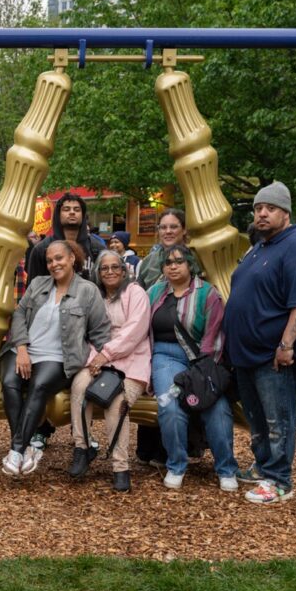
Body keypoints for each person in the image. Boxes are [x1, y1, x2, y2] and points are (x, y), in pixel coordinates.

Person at [225, 181, 296, 504]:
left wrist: (286, 345)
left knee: (278, 419)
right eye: (257, 208)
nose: (262, 213)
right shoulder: (261, 246)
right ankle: (264, 465)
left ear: (286, 212)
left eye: (270, 208)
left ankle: (279, 480)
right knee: (256, 419)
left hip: (273, 354)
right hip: (246, 353)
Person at [0, 240, 110, 478]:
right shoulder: (39, 284)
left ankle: (16, 451)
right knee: (10, 382)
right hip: (24, 349)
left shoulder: (88, 291)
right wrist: (21, 347)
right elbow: (19, 314)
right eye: (49, 260)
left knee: (39, 386)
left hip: (58, 356)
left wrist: (101, 360)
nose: (53, 264)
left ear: (72, 258)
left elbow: (100, 332)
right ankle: (26, 447)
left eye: (59, 258)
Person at [148, 244, 238, 492]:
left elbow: (214, 337)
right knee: (169, 405)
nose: (173, 266)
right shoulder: (154, 293)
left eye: (179, 261)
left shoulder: (208, 294)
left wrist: (198, 373)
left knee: (217, 408)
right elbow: (143, 332)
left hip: (202, 359)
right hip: (165, 356)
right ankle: (176, 464)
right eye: (168, 262)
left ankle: (226, 468)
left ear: (190, 264)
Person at [69, 250, 151, 490]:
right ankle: (81, 448)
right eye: (104, 268)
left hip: (132, 360)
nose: (110, 272)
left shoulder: (135, 293)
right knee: (79, 385)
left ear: (124, 271)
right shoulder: (95, 296)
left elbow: (135, 331)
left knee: (117, 403)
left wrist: (106, 355)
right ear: (98, 272)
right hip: (99, 359)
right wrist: (98, 358)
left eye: (115, 267)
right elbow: (89, 332)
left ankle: (120, 466)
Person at [134, 207, 202, 466]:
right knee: (153, 387)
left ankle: (173, 449)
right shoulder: (150, 261)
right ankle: (148, 446)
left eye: (173, 226)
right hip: (153, 328)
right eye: (163, 227)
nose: (168, 231)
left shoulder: (193, 257)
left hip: (183, 332)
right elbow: (139, 290)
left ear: (183, 230)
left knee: (178, 390)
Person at [25, 193, 107, 283]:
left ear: (83, 216)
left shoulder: (97, 249)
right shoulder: (41, 249)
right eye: (66, 209)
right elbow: (33, 288)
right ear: (58, 215)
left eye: (77, 209)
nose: (72, 212)